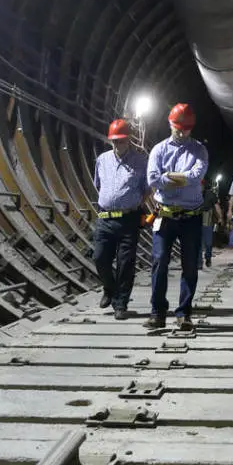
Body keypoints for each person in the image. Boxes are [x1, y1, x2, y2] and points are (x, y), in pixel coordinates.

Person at [145, 103, 209, 330]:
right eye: (178, 128)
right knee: (159, 261)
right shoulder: (159, 150)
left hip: (191, 217)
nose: (182, 132)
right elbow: (152, 179)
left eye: (186, 129)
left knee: (190, 265)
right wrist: (179, 177)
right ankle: (157, 312)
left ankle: (183, 313)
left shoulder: (199, 150)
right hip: (165, 215)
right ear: (170, 125)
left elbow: (196, 176)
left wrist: (168, 176)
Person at [92, 118, 149, 319]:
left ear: (129, 140)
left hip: (128, 219)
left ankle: (120, 304)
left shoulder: (141, 162)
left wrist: (133, 204)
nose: (117, 145)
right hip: (105, 218)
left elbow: (147, 189)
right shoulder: (102, 160)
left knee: (126, 263)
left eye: (121, 141)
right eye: (114, 141)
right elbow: (98, 185)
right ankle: (109, 288)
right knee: (99, 257)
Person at [199, 178, 223, 268]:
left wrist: (220, 217)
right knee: (198, 243)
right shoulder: (193, 193)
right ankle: (199, 263)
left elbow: (217, 206)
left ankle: (208, 258)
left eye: (201, 185)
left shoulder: (210, 194)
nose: (200, 187)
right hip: (196, 219)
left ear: (204, 186)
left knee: (208, 243)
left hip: (207, 221)